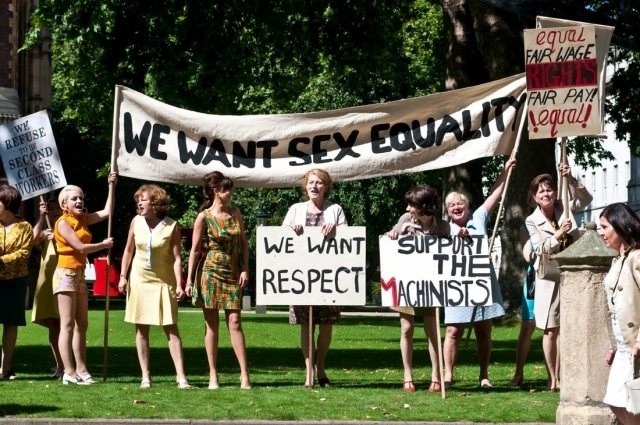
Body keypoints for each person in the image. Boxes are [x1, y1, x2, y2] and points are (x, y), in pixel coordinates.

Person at [443, 157, 515, 389]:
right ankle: (448, 375)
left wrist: (505, 170)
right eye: (451, 205)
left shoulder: (479, 218)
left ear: (467, 206)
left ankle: (484, 375)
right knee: (453, 330)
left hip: (483, 281)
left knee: (484, 331)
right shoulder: (444, 229)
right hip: (457, 284)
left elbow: (495, 194)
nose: (456, 207)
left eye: (459, 203)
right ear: (447, 211)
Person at [117, 184, 191, 389]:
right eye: (138, 200)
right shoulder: (136, 222)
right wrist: (123, 277)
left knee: (171, 328)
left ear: (156, 202)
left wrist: (179, 284)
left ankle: (181, 377)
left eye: (144, 199)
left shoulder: (171, 226)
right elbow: (128, 251)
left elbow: (177, 258)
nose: (139, 203)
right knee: (141, 329)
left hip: (163, 281)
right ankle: (145, 376)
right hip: (139, 279)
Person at [525, 164, 591, 391]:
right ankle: (551, 377)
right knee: (550, 328)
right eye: (541, 191)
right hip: (549, 276)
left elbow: (586, 198)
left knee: (566, 326)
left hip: (571, 273)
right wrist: (559, 233)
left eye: (549, 189)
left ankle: (565, 375)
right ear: (535, 197)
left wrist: (570, 177)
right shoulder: (531, 220)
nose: (547, 194)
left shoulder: (565, 206)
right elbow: (541, 248)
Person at [186, 171, 251, 390]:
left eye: (231, 189)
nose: (231, 193)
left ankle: (244, 375)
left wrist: (245, 269)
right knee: (211, 325)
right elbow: (194, 250)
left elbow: (243, 243)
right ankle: (213, 374)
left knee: (235, 322)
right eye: (227, 189)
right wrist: (188, 281)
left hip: (232, 272)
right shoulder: (204, 217)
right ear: (216, 192)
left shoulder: (235, 212)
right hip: (210, 272)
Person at [282, 168, 347, 389]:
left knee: (326, 325)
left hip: (328, 278)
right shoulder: (295, 209)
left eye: (319, 183)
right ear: (305, 186)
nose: (314, 187)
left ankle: (321, 366)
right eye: (311, 182)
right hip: (301, 277)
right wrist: (291, 229)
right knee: (306, 326)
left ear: (326, 187)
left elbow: (348, 240)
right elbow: (281, 240)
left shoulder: (336, 210)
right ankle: (309, 370)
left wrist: (335, 228)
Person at [385, 184, 449, 393]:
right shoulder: (405, 221)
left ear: (424, 206)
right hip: (406, 283)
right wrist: (395, 236)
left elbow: (450, 254)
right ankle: (407, 376)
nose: (408, 209)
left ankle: (436, 377)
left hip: (431, 285)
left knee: (432, 330)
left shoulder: (442, 226)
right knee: (407, 328)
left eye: (412, 205)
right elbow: (388, 242)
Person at [54, 173, 117, 385]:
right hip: (65, 273)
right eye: (74, 199)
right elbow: (79, 247)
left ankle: (82, 369)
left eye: (81, 198)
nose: (79, 201)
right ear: (64, 203)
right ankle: (68, 372)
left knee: (83, 323)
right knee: (68, 324)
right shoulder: (63, 222)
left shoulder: (82, 219)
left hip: (79, 273)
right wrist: (103, 245)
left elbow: (107, 212)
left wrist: (111, 186)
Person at [600, 203, 640, 425]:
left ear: (620, 226)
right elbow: (616, 307)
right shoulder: (617, 260)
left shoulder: (637, 258)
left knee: (633, 405)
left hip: (636, 348)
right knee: (615, 401)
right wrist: (613, 346)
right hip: (623, 347)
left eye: (605, 227)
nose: (601, 233)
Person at [0, 185, 34, 380]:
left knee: (11, 324)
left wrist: (1, 260)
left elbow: (23, 254)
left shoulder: (25, 227)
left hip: (15, 281)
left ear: (7, 203)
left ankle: (5, 368)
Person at [31, 198, 64, 379]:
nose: (55, 211)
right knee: (53, 324)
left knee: (66, 323)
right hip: (48, 282)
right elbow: (34, 240)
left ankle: (71, 365)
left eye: (58, 208)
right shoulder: (46, 232)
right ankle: (59, 365)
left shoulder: (70, 227)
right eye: (51, 209)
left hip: (65, 279)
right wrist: (42, 217)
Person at [509, 224, 537, 387]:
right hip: (534, 280)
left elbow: (584, 198)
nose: (545, 196)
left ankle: (554, 377)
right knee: (527, 326)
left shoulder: (560, 219)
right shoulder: (527, 226)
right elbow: (528, 256)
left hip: (556, 278)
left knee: (555, 330)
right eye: (537, 195)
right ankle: (518, 373)